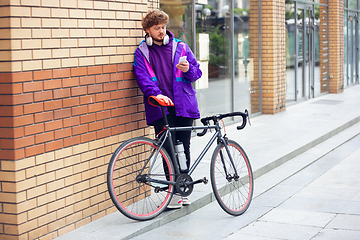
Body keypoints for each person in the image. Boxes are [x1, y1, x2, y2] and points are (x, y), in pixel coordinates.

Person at [133, 9, 202, 209]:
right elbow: (143, 78)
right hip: (160, 108)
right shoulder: (142, 52)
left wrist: (189, 70)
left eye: (163, 27)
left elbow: (197, 72)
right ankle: (173, 193)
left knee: (184, 147)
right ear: (147, 30)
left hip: (183, 106)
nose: (162, 31)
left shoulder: (181, 47)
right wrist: (157, 94)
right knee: (167, 150)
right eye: (157, 28)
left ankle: (184, 187)